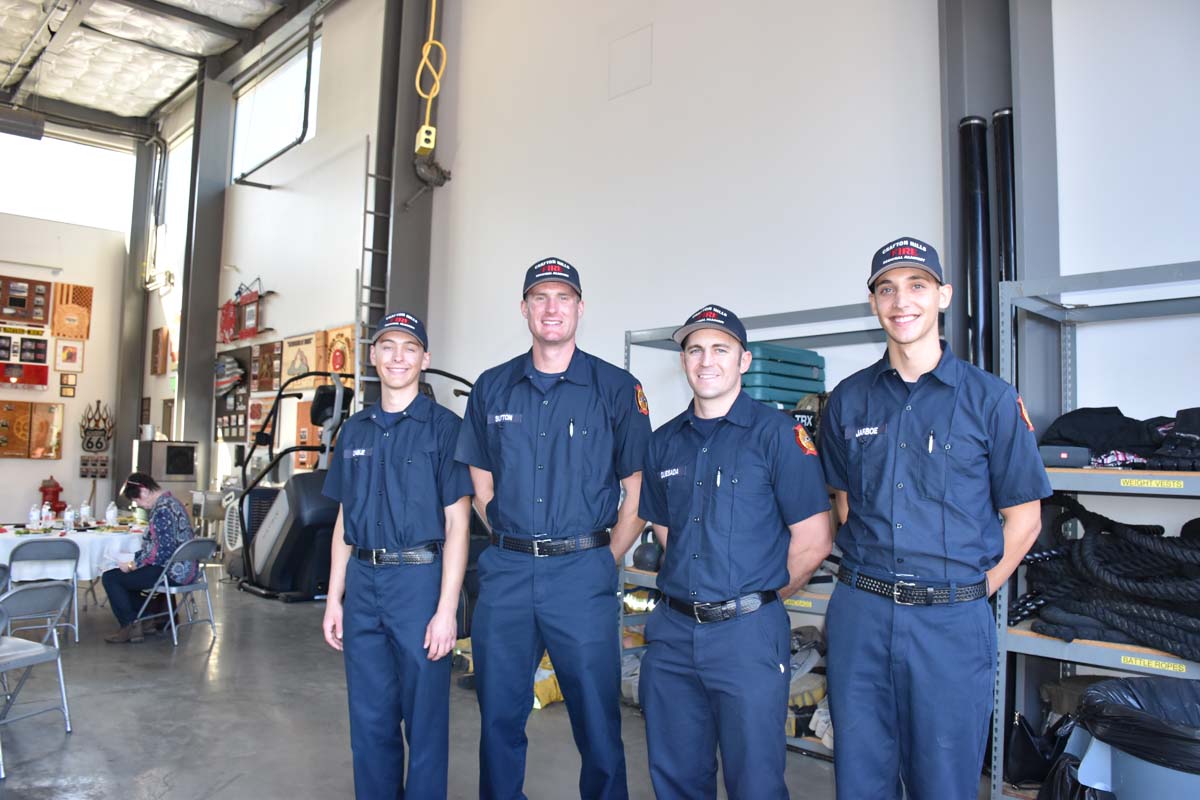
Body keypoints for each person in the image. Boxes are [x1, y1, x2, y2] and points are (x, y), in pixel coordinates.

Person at [819, 237, 1052, 799]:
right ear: (873, 303)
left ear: (943, 295)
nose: (902, 301)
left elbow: (1025, 520)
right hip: (861, 615)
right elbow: (844, 502)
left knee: (944, 782)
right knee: (860, 778)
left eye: (917, 286)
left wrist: (969, 592)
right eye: (887, 289)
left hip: (950, 624)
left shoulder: (991, 400)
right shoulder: (847, 400)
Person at [455, 257, 651, 800]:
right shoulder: (492, 387)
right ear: (524, 308)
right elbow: (480, 478)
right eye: (540, 297)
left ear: (580, 308)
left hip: (581, 574)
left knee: (597, 720)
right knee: (498, 716)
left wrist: (602, 558)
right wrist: (507, 535)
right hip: (507, 573)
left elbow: (637, 489)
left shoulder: (616, 388)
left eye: (563, 297)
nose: (551, 308)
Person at [638, 304, 833, 799]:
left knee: (755, 783)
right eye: (695, 350)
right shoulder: (662, 443)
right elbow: (666, 529)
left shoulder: (779, 436)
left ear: (744, 360)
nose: (707, 360)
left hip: (747, 637)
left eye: (720, 349)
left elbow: (814, 541)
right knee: (677, 778)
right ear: (683, 361)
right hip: (673, 634)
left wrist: (756, 599)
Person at [321, 310, 473, 799]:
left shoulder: (445, 429)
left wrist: (446, 611)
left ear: (425, 359)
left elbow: (458, 524)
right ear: (373, 356)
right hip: (363, 584)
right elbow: (343, 522)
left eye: (410, 348)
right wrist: (334, 598)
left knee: (425, 721)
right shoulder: (354, 431)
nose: (398, 357)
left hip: (419, 585)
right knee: (369, 720)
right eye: (388, 346)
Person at [102, 472, 197, 644]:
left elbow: (161, 553)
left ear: (144, 491)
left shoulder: (161, 511)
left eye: (137, 500)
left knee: (111, 578)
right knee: (126, 578)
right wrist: (135, 560)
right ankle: (146, 619)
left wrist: (132, 565)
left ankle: (129, 625)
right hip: (186, 568)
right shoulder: (173, 503)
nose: (138, 504)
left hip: (171, 571)